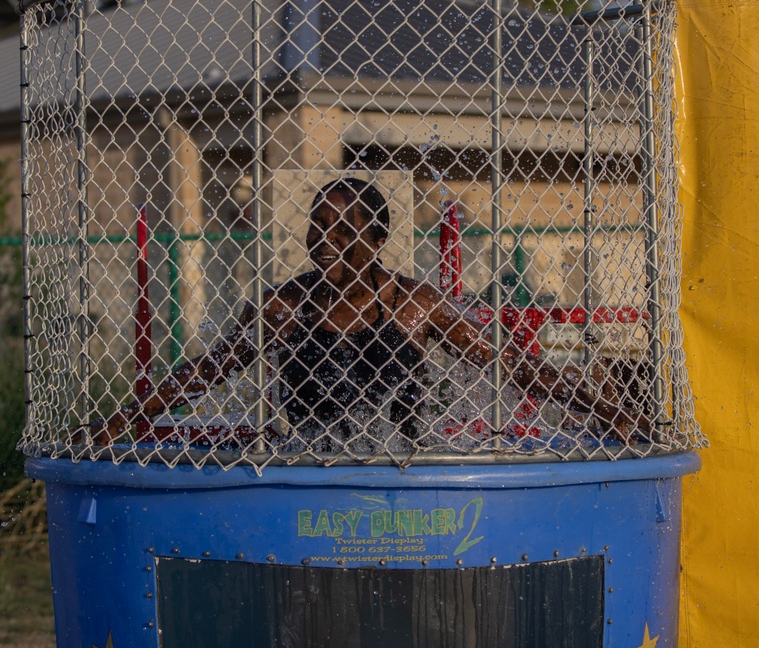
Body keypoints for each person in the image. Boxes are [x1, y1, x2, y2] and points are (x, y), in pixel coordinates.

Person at [91, 179, 647, 447]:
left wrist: (603, 411)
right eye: (317, 226)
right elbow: (207, 372)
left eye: (343, 229)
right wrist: (127, 417)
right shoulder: (284, 307)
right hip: (312, 464)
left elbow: (517, 366)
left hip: (400, 466)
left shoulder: (415, 307)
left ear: (377, 240)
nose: (325, 241)